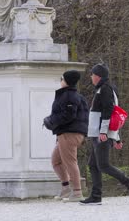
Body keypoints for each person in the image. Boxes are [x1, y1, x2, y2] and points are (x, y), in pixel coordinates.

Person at [80, 63, 129, 205]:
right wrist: (117, 138)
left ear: (98, 76)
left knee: (103, 165)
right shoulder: (103, 89)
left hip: (101, 134)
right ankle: (95, 196)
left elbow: (109, 111)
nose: (91, 77)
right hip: (99, 134)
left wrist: (103, 132)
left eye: (93, 74)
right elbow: (115, 115)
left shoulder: (105, 89)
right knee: (93, 165)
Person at [43, 70, 89, 202]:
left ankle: (77, 192)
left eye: (61, 78)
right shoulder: (68, 95)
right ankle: (66, 188)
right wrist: (52, 120)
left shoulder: (70, 96)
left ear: (67, 81)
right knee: (56, 161)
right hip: (65, 133)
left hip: (70, 133)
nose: (60, 81)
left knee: (70, 162)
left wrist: (51, 121)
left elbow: (69, 115)